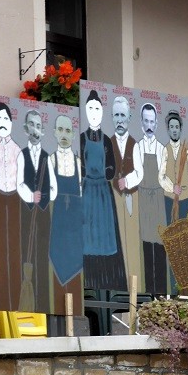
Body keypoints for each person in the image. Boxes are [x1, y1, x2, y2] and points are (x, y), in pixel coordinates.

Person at [80, 90, 125, 291]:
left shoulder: (106, 139)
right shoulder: (81, 138)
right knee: (87, 234)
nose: (94, 112)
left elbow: (112, 166)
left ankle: (106, 281)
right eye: (90, 108)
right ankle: (90, 281)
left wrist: (107, 172)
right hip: (88, 190)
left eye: (97, 108)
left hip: (103, 193)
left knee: (105, 235)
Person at [17, 109, 56, 311]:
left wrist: (43, 198)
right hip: (26, 210)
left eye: (39, 126)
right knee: (26, 251)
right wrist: (31, 196)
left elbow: (53, 188)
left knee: (42, 255)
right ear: (26, 129)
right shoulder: (22, 155)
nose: (35, 129)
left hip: (42, 213)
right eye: (32, 125)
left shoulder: (46, 157)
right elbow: (19, 183)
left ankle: (41, 300)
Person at [0, 102, 22, 309]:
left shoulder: (17, 149)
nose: (2, 123)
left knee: (15, 247)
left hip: (15, 198)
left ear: (11, 122)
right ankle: (0, 294)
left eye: (6, 119)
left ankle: (16, 295)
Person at [49, 114, 84, 315]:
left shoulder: (79, 163)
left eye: (68, 131)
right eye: (60, 130)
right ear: (54, 132)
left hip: (74, 227)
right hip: (58, 224)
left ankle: (74, 314)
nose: (64, 135)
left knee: (75, 274)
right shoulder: (50, 160)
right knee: (56, 272)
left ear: (73, 135)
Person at [110, 96, 143, 291]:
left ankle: (134, 285)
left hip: (130, 197)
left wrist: (127, 181)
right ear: (112, 118)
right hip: (114, 198)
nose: (120, 120)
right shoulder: (109, 142)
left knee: (131, 239)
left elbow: (140, 172)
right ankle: (119, 285)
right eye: (116, 115)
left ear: (129, 118)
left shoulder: (135, 144)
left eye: (123, 115)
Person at [158, 110, 188, 293]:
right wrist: (173, 188)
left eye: (177, 127)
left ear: (180, 128)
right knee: (172, 242)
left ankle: (185, 284)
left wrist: (186, 190)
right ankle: (173, 285)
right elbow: (161, 176)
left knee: (185, 242)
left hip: (184, 200)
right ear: (168, 129)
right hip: (170, 200)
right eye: (171, 127)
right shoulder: (166, 150)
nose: (174, 130)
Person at [136, 103, 168, 294]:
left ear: (156, 124)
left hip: (157, 198)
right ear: (142, 123)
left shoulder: (162, 149)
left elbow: (164, 176)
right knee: (146, 244)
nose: (149, 125)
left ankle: (162, 293)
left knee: (160, 243)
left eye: (152, 121)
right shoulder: (138, 147)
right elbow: (137, 174)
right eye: (146, 121)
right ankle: (149, 293)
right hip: (143, 199)